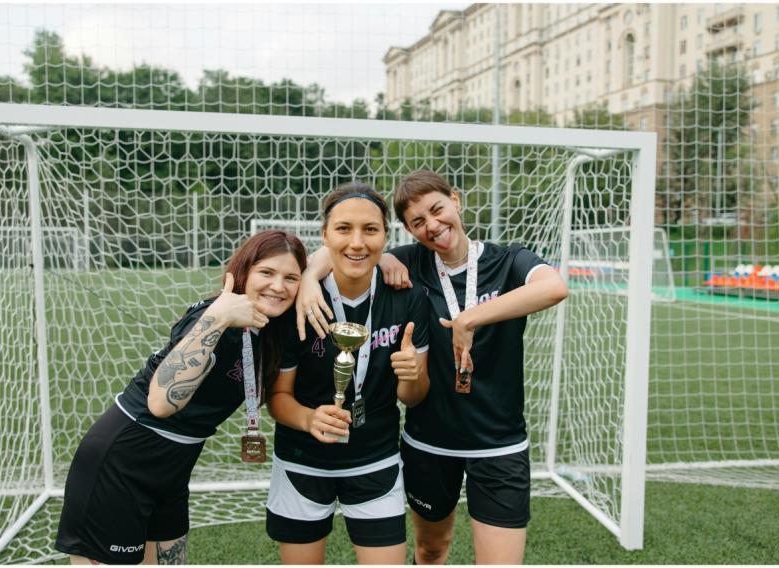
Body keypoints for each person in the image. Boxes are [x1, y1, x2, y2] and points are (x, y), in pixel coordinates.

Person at [298, 170, 569, 564]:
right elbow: (343, 248)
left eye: (437, 210)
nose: (433, 226)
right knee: (431, 549)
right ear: (409, 231)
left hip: (500, 444)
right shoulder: (412, 261)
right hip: (429, 443)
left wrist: (468, 319)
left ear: (455, 200)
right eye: (418, 222)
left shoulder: (509, 260)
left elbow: (554, 287)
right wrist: (309, 277)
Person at [54, 230, 307, 565]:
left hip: (173, 469)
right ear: (243, 272)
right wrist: (217, 318)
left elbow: (329, 257)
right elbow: (160, 404)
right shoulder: (213, 317)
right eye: (267, 273)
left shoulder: (271, 329)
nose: (278, 286)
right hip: (124, 461)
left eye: (291, 278)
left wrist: (312, 277)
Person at [265, 183, 430, 565]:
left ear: (386, 236)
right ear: (325, 235)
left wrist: (411, 376)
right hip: (302, 461)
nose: (357, 242)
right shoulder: (297, 300)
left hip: (376, 460)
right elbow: (278, 398)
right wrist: (308, 419)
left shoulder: (408, 296)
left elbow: (414, 396)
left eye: (370, 229)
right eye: (343, 229)